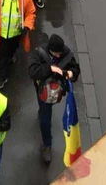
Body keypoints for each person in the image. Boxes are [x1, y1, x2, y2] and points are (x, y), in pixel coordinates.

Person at [28, 34, 81, 164]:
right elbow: (32, 71)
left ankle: (43, 112)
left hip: (58, 90)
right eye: (56, 54)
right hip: (42, 90)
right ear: (50, 49)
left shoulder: (66, 53)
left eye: (59, 53)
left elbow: (75, 68)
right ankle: (47, 145)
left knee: (46, 111)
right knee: (45, 119)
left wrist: (72, 73)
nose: (58, 56)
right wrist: (49, 68)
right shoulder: (39, 53)